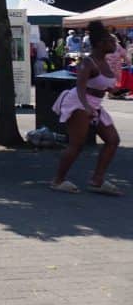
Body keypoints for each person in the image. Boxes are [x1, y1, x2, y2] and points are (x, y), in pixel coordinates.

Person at [50, 20, 122, 195]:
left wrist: (117, 91)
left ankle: (97, 180)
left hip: (95, 104)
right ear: (100, 44)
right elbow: (81, 87)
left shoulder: (105, 62)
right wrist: (86, 107)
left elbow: (105, 86)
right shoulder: (87, 62)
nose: (115, 44)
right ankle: (58, 180)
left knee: (113, 140)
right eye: (111, 41)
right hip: (79, 102)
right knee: (77, 144)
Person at [105, 35, 128, 99]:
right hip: (109, 66)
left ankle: (113, 93)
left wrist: (128, 63)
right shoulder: (104, 46)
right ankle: (112, 93)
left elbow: (124, 55)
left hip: (116, 66)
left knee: (115, 80)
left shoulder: (118, 46)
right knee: (112, 80)